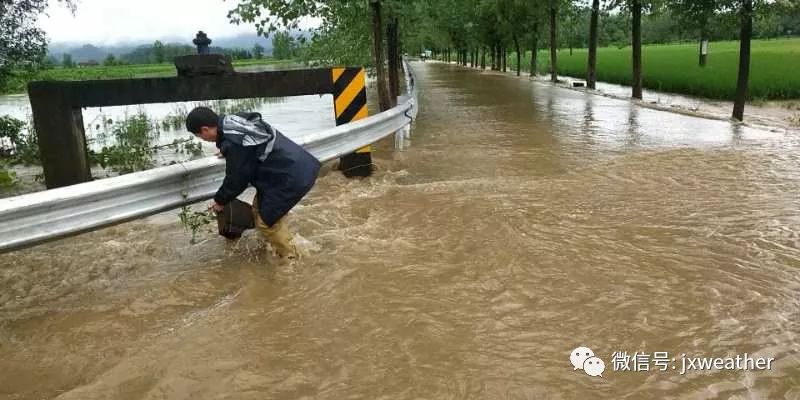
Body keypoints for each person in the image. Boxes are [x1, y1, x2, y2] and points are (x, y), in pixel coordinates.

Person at [185, 106, 321, 259]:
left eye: (201, 136)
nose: (204, 140)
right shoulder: (233, 121)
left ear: (205, 129)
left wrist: (220, 201)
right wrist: (227, 149)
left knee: (266, 223)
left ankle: (292, 260)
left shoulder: (234, 143)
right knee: (258, 210)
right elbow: (247, 142)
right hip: (293, 166)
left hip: (289, 177)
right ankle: (275, 248)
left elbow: (237, 179)